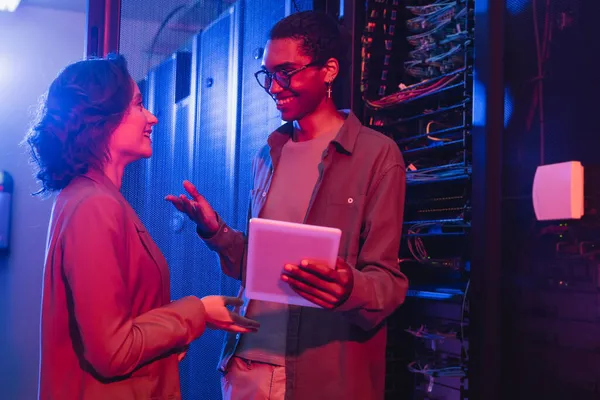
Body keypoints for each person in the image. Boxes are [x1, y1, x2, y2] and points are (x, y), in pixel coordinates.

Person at [167, 10, 408, 400]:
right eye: (267, 74)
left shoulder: (377, 156)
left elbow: (388, 285)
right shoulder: (268, 154)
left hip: (319, 378)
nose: (274, 87)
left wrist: (349, 287)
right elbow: (260, 269)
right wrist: (217, 232)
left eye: (286, 72)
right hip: (246, 368)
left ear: (328, 70)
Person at [24, 54, 259, 400]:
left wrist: (173, 335)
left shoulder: (97, 198)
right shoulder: (94, 205)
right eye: (138, 105)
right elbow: (112, 351)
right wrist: (199, 311)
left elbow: (123, 328)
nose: (152, 117)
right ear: (101, 118)